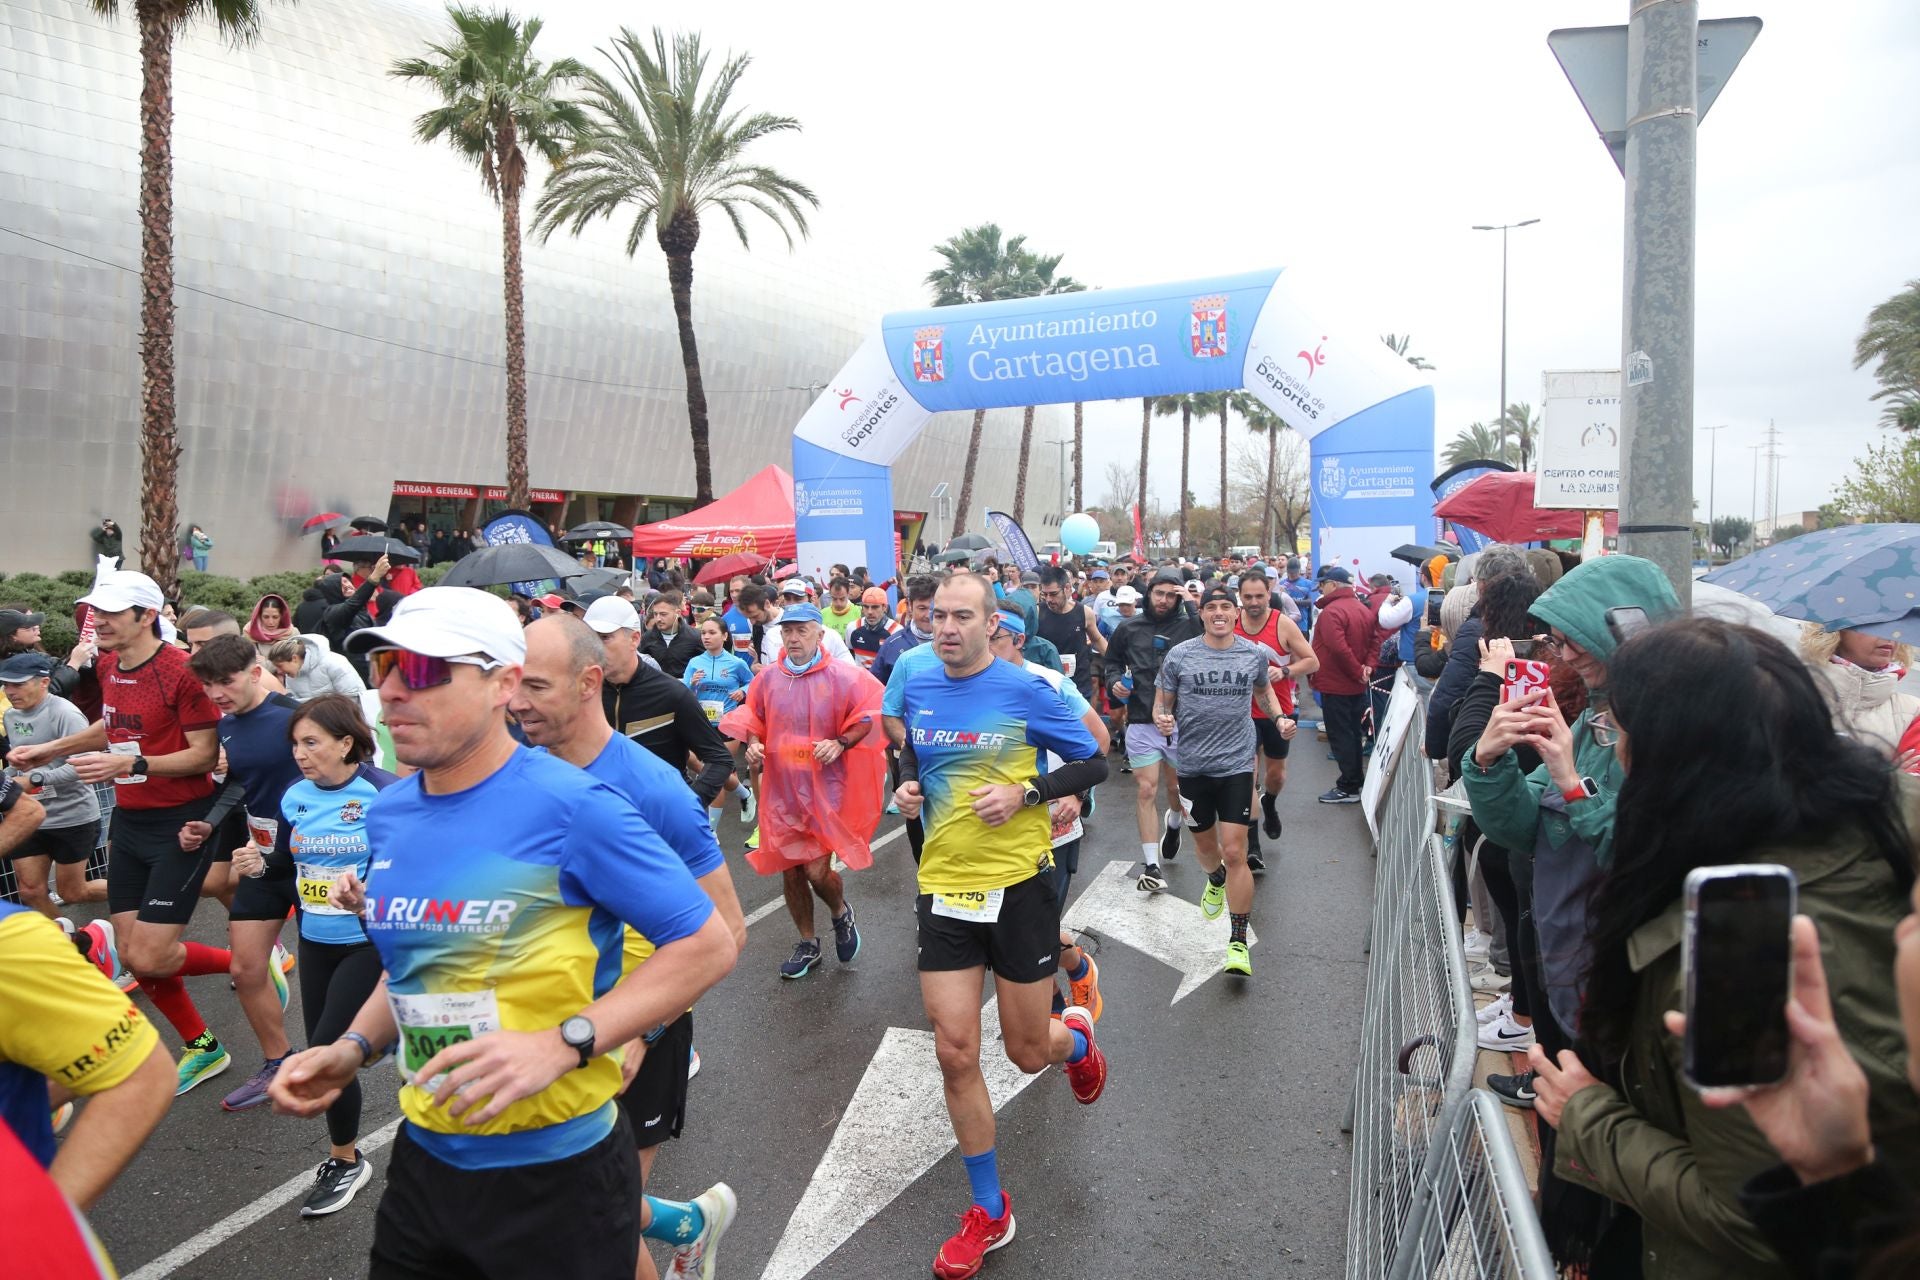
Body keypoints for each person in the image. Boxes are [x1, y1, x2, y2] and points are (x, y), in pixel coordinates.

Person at [268, 587, 738, 1280]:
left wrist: (566, 1042)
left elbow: (710, 942)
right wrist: (352, 1047)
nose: (393, 691)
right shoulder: (391, 812)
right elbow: (416, 967)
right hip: (426, 1162)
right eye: (384, 669)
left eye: (424, 670)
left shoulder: (577, 806)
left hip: (559, 1170)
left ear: (503, 684)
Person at [1527, 618, 1920, 1279]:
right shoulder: (1887, 818)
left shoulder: (1734, 950)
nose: (1615, 750)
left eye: (1618, 732)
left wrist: (1589, 1118)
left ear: (1672, 760)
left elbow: (1754, 1218)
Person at [510, 615, 747, 1279]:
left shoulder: (653, 787)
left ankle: (687, 1227)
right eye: (510, 683)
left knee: (593, 1217)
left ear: (589, 683)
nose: (515, 701)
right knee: (580, 1206)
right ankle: (687, 1223)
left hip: (639, 1027)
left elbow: (728, 930)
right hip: (547, 1022)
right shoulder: (510, 771)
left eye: (534, 685)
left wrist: (640, 1031)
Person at [889, 574, 1110, 1278]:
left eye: (962, 616)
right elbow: (913, 753)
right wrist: (909, 785)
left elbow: (1095, 761)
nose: (946, 628)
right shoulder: (918, 681)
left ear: (994, 623)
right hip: (945, 888)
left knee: (1023, 1052)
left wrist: (1028, 791)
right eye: (937, 617)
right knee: (955, 1052)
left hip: (1019, 888)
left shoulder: (1025, 691)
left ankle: (1072, 1040)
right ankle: (990, 1210)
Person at [6, 570, 237, 1096]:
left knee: (152, 956)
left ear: (146, 616)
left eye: (110, 613)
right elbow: (114, 723)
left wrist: (128, 766)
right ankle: (204, 1046)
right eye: (94, 611)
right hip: (129, 821)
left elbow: (203, 756)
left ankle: (248, 961)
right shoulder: (109, 665)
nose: (97, 621)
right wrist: (50, 750)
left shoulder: (182, 670)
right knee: (134, 954)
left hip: (183, 822)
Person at [271, 694, 397, 1216]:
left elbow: (411, 869)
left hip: (365, 942)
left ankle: (344, 1162)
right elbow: (284, 860)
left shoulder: (384, 794)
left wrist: (370, 898)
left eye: (311, 742)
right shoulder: (294, 796)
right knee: (319, 1044)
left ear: (347, 742)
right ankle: (346, 1153)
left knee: (322, 1053)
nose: (300, 753)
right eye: (296, 743)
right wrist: (254, 861)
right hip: (315, 939)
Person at [0, 850, 174, 1214]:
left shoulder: (9, 940)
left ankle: (89, 945)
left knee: (145, 955)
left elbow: (143, 1073)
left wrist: (44, 1225)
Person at [719, 603, 885, 978]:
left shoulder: (844, 676)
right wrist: (755, 743)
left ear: (819, 634)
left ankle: (840, 911)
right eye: (787, 631)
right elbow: (754, 718)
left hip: (828, 788)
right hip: (782, 789)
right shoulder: (768, 679)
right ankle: (808, 942)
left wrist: (841, 742)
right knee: (789, 869)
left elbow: (869, 714)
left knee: (815, 870)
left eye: (801, 631)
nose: (793, 638)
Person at [186, 634, 305, 1112]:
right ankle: (278, 1060)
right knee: (245, 965)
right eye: (208, 684)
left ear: (255, 673)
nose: (216, 693)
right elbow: (243, 782)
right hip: (261, 860)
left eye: (225, 682)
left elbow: (349, 768)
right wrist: (209, 823)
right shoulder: (228, 725)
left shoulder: (293, 716)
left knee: (351, 969)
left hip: (316, 858)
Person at [1153, 585, 1295, 976]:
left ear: (1235, 615)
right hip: (1193, 765)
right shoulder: (1179, 656)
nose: (1219, 612)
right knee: (1206, 849)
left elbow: (1265, 695)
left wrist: (1280, 718)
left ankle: (1237, 941)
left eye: (1225, 607)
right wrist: (1163, 718)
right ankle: (1214, 879)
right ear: (1201, 614)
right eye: (1211, 607)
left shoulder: (1253, 654)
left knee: (1235, 852)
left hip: (1236, 764)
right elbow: (1162, 702)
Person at [984, 611, 1108, 1022]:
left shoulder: (1049, 682)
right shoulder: (971, 684)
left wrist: (1076, 791)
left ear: (1018, 640)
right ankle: (1062, 986)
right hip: (996, 831)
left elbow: (1099, 740)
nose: (986, 645)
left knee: (1035, 929)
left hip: (1051, 824)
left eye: (996, 637)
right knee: (1007, 929)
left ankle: (1067, 982)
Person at [585, 596, 739, 827]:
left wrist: (688, 806)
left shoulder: (672, 693)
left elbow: (719, 759)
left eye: (605, 638)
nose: (595, 647)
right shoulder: (581, 692)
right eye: (589, 639)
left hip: (661, 828)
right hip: (601, 824)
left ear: (634, 639)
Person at [1105, 569, 1200, 891]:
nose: (1164, 600)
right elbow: (1112, 662)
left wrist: (1191, 603)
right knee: (1146, 789)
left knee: (1176, 791)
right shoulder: (1129, 627)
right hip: (1142, 719)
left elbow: (1211, 641)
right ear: (1148, 594)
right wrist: (1114, 683)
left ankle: (1174, 823)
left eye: (1171, 595)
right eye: (1159, 593)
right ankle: (1152, 866)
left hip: (1181, 723)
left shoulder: (1189, 625)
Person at [1, 652, 108, 919]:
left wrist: (35, 780)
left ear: (44, 682)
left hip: (72, 816)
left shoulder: (65, 713)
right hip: (28, 818)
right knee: (29, 890)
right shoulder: (11, 716)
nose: (10, 691)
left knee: (73, 892)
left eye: (19, 684)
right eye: (6, 684)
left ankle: (139, 890)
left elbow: (82, 766)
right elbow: (22, 761)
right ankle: (65, 942)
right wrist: (12, 773)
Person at [1232, 570, 1316, 870]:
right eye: (1247, 597)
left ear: (1269, 594)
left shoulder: (1282, 623)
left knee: (1276, 775)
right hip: (1241, 715)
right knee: (1247, 778)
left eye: (1259, 596)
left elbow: (1312, 660)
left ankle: (1270, 802)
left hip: (1277, 712)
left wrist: (1285, 672)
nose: (1254, 602)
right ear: (1239, 597)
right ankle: (1253, 847)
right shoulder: (1232, 623)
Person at [1800, 624, 1920, 760]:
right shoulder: (1791, 688)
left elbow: (1913, 778)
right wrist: (1886, 774)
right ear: (1838, 629)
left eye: (1896, 625)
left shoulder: (1913, 711)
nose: (1891, 635)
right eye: (1876, 623)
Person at [681, 617, 757, 830]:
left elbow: (753, 682)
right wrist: (691, 684)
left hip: (727, 724)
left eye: (712, 632)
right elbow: (683, 692)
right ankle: (744, 793)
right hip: (701, 723)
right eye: (703, 632)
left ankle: (711, 831)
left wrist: (743, 691)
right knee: (714, 771)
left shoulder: (736, 663)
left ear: (724, 636)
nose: (706, 636)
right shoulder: (695, 663)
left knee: (712, 772)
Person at [1307, 567, 1374, 804]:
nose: (1321, 588)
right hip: (1353, 682)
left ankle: (1349, 785)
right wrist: (1365, 667)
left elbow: (1338, 648)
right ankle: (1355, 781)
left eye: (1323, 584)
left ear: (1333, 585)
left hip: (1337, 683)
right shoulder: (1361, 607)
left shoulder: (1331, 612)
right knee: (1352, 734)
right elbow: (1374, 640)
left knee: (1342, 735)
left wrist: (1358, 670)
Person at [1033, 565, 1105, 702]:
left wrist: (1116, 662)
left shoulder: (1084, 612)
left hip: (1078, 685)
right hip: (1047, 685)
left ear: (1066, 588)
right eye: (1045, 594)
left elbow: (1098, 640)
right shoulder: (1037, 613)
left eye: (1053, 594)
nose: (1048, 599)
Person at [268, 633, 369, 701]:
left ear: (294, 658)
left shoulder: (334, 662)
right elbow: (294, 703)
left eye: (280, 666)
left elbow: (353, 697)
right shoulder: (291, 676)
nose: (279, 671)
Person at [641, 591, 702, 680]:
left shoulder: (694, 637)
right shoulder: (647, 638)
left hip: (684, 690)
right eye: (655, 614)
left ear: (677, 612)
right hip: (656, 689)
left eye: (663, 614)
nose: (658, 618)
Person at [846, 586, 899, 669]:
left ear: (884, 607)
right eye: (866, 607)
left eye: (875, 607)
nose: (870, 612)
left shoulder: (896, 631)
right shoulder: (852, 627)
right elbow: (849, 655)